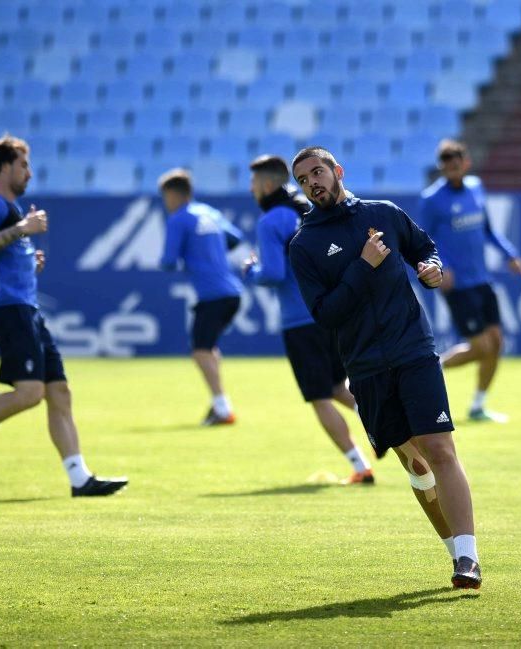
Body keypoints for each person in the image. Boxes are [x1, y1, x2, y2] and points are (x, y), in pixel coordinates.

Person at [288, 146, 482, 589]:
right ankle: (454, 550)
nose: (312, 183)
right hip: (367, 367)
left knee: (441, 448)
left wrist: (430, 268)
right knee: (416, 466)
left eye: (317, 172)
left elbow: (424, 248)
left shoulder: (384, 213)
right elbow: (326, 314)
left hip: (414, 350)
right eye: (302, 180)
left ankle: (467, 559)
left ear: (337, 171)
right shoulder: (305, 245)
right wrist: (363, 265)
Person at [0, 135, 127, 498]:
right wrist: (22, 231)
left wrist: (24, 261)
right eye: (23, 165)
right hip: (10, 311)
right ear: (5, 167)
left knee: (60, 392)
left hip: (27, 310)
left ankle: (79, 478)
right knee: (30, 393)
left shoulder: (12, 211)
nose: (29, 173)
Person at [244, 154, 374, 485]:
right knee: (336, 386)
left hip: (300, 319)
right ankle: (390, 423)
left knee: (319, 396)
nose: (251, 189)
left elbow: (273, 273)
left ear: (268, 184)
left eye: (254, 183)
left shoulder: (271, 221)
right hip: (332, 311)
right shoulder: (309, 210)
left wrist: (252, 270)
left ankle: (360, 466)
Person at [417, 140, 521, 422]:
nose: (452, 171)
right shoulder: (432, 200)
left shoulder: (476, 188)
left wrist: (511, 255)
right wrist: (442, 266)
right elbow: (423, 241)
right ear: (441, 168)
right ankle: (426, 370)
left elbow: (489, 230)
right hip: (458, 285)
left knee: (497, 344)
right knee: (481, 348)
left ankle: (478, 405)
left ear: (465, 164)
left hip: (482, 280)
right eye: (446, 167)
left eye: (456, 165)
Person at [158, 168, 244, 426]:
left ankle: (222, 407)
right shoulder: (210, 213)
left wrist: (188, 257)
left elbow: (168, 261)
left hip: (212, 294)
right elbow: (235, 238)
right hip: (232, 291)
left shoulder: (178, 219)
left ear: (172, 195)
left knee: (200, 351)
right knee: (208, 349)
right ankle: (219, 404)